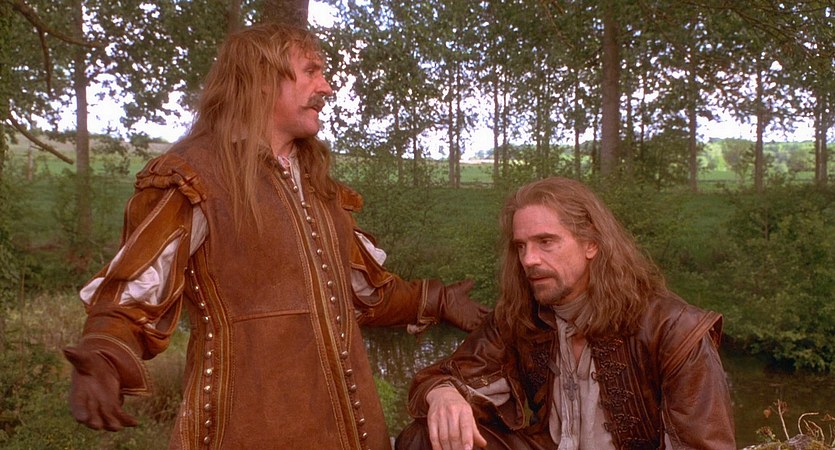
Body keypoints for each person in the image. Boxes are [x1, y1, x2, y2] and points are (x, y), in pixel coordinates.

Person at [63, 23, 489, 450]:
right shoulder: (195, 177)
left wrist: (434, 299)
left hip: (351, 434)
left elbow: (364, 292)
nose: (326, 87)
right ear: (261, 79)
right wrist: (104, 351)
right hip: (246, 431)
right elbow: (135, 291)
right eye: (311, 72)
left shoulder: (319, 186)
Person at [395, 177, 736, 450]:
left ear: (591, 244)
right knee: (424, 437)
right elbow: (443, 376)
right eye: (521, 246)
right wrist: (444, 394)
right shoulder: (521, 316)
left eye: (546, 242)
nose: (529, 260)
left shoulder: (675, 329)